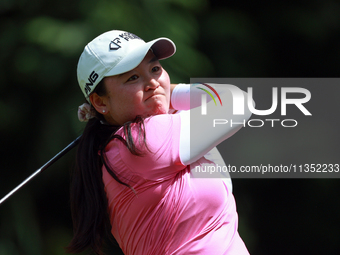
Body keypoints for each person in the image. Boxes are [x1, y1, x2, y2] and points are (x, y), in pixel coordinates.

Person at [67, 30, 252, 255]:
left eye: (155, 69)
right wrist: (169, 93)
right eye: (132, 78)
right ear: (99, 101)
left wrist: (159, 95)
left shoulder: (114, 151)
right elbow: (237, 102)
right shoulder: (143, 140)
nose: (152, 83)